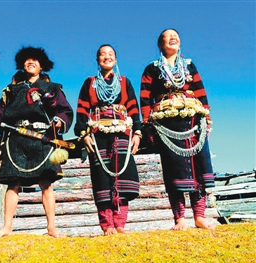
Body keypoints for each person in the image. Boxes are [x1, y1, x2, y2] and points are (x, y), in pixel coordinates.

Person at [0, 46, 73, 238]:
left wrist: (58, 121)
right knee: (13, 183)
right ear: (22, 64)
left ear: (41, 66)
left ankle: (51, 227)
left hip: (43, 138)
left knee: (46, 182)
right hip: (16, 140)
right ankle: (6, 227)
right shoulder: (11, 90)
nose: (31, 62)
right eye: (27, 60)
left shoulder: (53, 89)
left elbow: (65, 111)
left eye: (35, 60)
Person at [140, 29, 215, 230]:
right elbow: (145, 98)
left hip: (193, 120)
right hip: (166, 124)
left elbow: (201, 92)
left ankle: (199, 215)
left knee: (198, 166)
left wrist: (206, 117)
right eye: (168, 36)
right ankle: (179, 217)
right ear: (160, 44)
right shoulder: (152, 69)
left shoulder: (190, 65)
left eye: (176, 36)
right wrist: (147, 125)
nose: (173, 38)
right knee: (174, 169)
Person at [74, 44, 141, 236]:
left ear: (116, 59)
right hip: (98, 134)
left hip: (122, 133)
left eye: (110, 54)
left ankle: (120, 223)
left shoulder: (124, 82)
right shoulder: (90, 83)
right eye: (102, 54)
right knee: (101, 178)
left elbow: (134, 109)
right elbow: (81, 110)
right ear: (97, 60)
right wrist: (84, 134)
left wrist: (137, 133)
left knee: (123, 178)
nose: (106, 57)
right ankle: (107, 225)